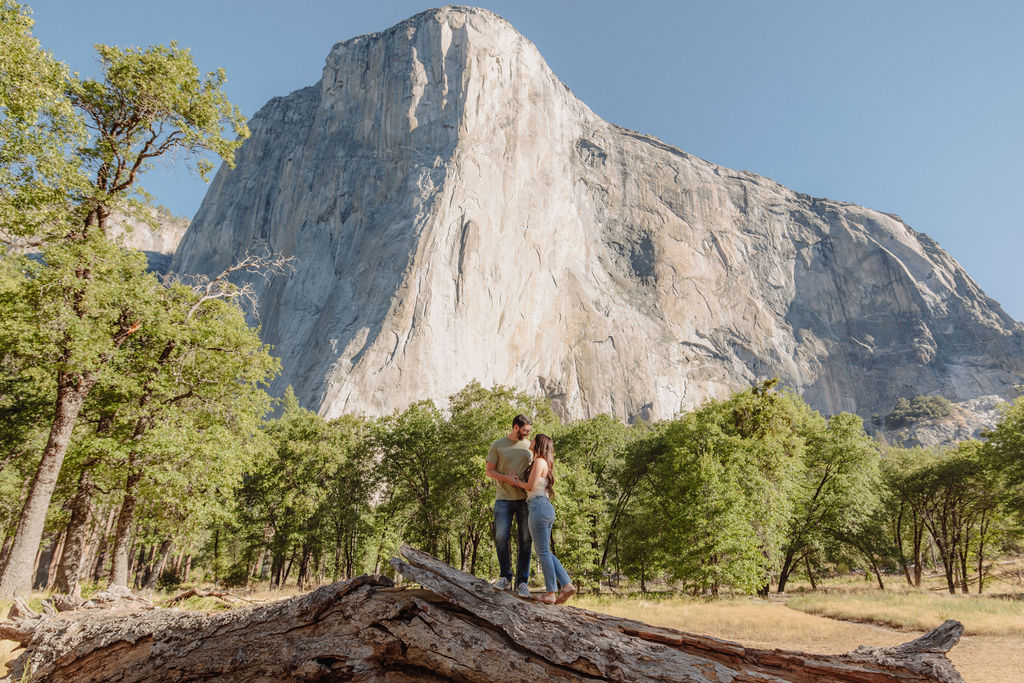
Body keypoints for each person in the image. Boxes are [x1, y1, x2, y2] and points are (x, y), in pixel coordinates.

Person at [514, 433, 575, 604]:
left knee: (542, 551)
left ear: (539, 444)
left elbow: (530, 486)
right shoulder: (544, 462)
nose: (530, 441)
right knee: (545, 551)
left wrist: (515, 481)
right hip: (545, 507)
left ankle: (550, 593)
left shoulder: (539, 462)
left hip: (537, 506)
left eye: (533, 439)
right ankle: (567, 585)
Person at [485, 414, 533, 598]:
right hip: (503, 499)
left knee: (526, 540)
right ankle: (505, 577)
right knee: (501, 536)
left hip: (525, 499)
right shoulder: (498, 445)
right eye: (525, 430)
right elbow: (489, 472)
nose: (528, 433)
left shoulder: (530, 446)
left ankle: (522, 582)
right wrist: (507, 479)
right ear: (515, 427)